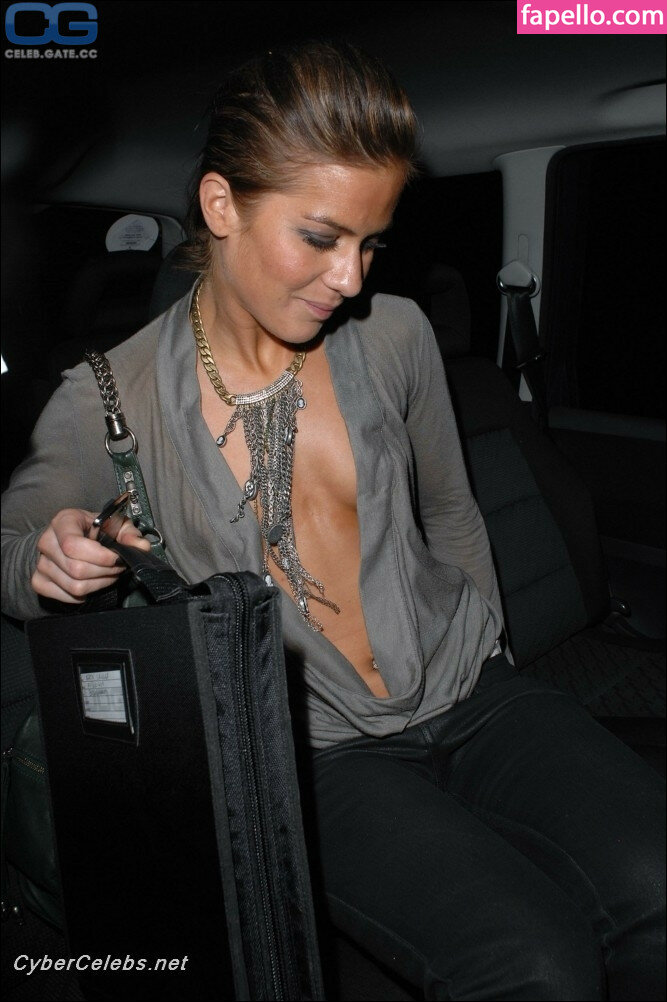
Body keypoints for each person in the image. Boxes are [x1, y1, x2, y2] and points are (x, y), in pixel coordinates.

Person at [1, 40, 664, 1002]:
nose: (350, 278)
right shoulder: (106, 394)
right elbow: (12, 549)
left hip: (469, 691)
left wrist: (489, 645)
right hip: (309, 747)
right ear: (221, 206)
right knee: (534, 961)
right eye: (320, 237)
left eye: (370, 242)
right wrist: (49, 558)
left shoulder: (392, 336)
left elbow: (449, 506)